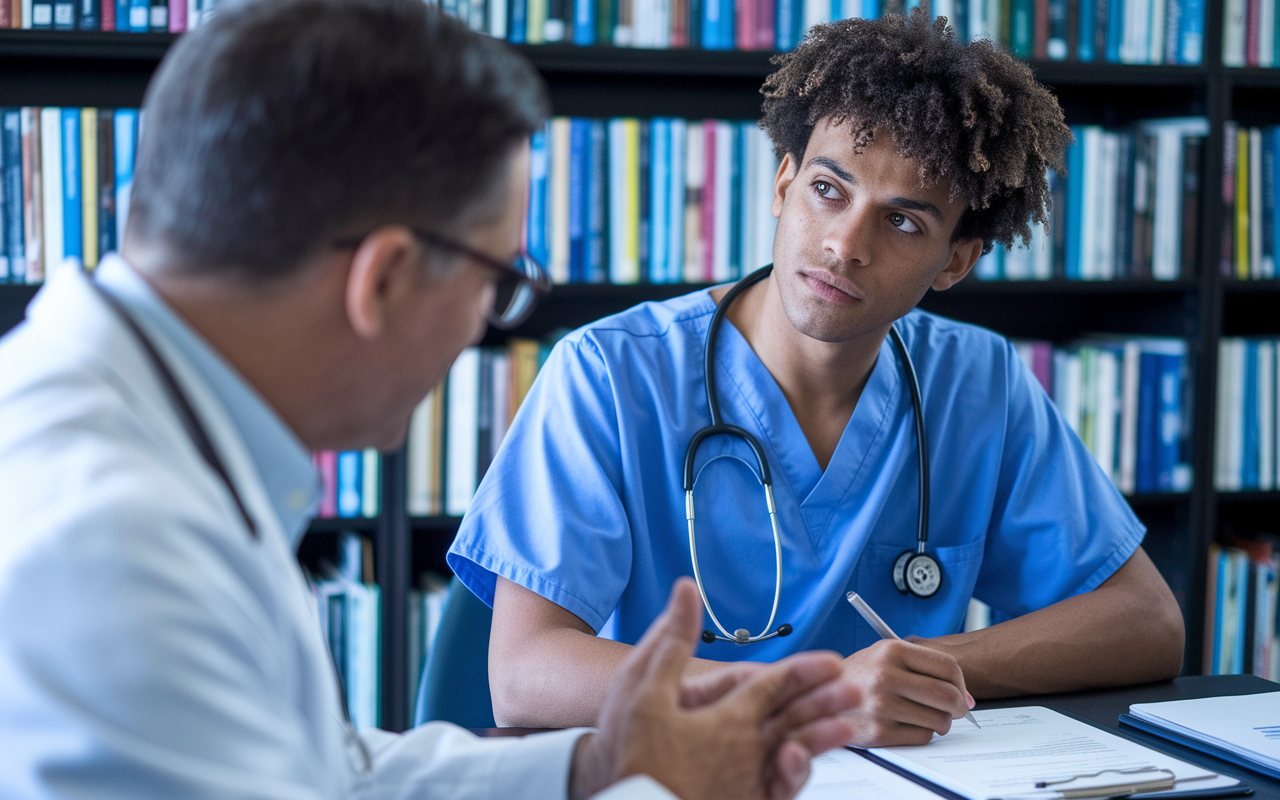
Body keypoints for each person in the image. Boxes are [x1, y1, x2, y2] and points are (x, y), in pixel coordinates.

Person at [0, 0, 863, 797]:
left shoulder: (149, 439)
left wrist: (602, 762)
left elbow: (321, 769)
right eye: (497, 282)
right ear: (386, 278)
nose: (481, 330)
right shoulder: (108, 543)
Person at [448, 10, 1187, 747]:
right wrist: (815, 693)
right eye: (829, 191)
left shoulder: (978, 383)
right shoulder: (607, 372)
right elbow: (524, 676)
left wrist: (917, 669)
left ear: (956, 261)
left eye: (902, 223)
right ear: (783, 183)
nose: (843, 244)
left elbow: (1146, 623)